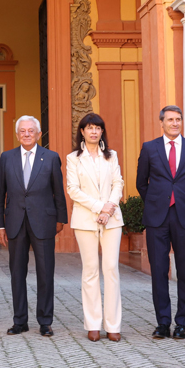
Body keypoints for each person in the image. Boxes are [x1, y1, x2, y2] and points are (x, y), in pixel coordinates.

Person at [135, 105, 185, 340]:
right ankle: (163, 322)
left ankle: (182, 323)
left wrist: (184, 202)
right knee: (158, 271)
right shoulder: (149, 148)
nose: (175, 123)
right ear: (161, 122)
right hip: (157, 218)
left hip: (183, 216)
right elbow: (141, 183)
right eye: (170, 119)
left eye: (178, 119)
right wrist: (157, 202)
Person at [0, 116, 68, 337]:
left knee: (45, 273)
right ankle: (20, 321)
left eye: (31, 131)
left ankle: (45, 321)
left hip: (44, 222)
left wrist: (61, 219)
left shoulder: (51, 157)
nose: (26, 134)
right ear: (17, 135)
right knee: (17, 273)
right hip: (15, 222)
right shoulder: (7, 158)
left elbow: (58, 191)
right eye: (22, 131)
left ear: (38, 134)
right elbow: (0, 194)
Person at [66, 113, 124, 342]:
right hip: (85, 219)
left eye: (97, 128)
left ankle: (113, 325)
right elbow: (73, 190)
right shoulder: (73, 158)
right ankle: (92, 323)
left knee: (111, 269)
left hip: (112, 219)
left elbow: (118, 183)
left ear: (102, 132)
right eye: (89, 128)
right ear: (82, 131)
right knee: (90, 270)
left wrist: (109, 209)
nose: (93, 131)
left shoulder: (112, 156)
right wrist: (101, 207)